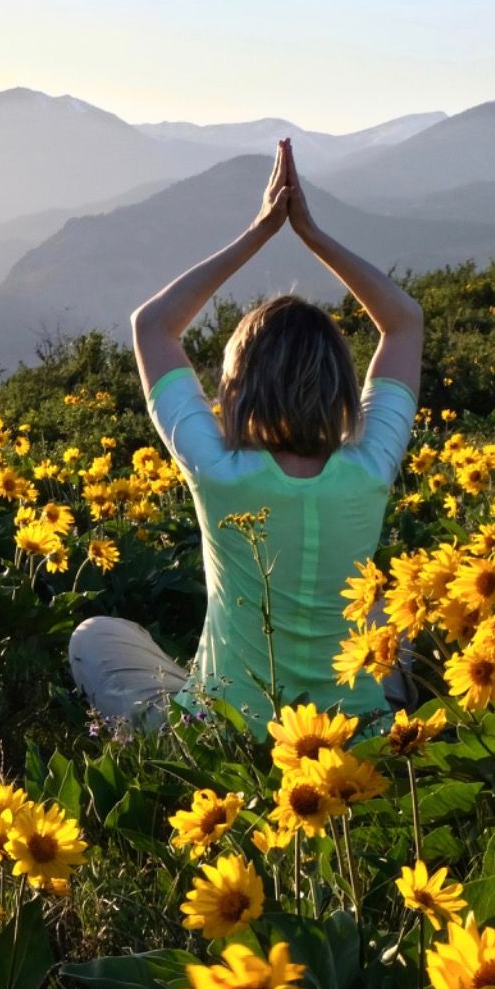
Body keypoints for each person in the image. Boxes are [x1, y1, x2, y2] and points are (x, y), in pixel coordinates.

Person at [69, 139, 423, 731]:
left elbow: (152, 325)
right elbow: (404, 321)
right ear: (339, 385)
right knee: (399, 607)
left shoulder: (218, 472)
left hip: (229, 733)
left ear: (237, 390)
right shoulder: (369, 467)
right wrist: (312, 235)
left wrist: (261, 230)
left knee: (98, 638)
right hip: (357, 736)